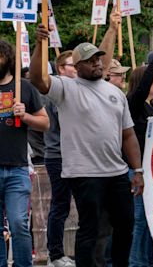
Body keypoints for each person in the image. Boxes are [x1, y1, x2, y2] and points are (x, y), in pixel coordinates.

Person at [30, 16, 144, 267]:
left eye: (98, 59)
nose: (97, 63)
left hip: (116, 172)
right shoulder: (66, 88)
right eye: (90, 60)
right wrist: (40, 43)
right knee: (90, 229)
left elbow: (128, 134)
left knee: (125, 226)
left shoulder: (115, 93)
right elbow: (38, 79)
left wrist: (137, 170)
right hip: (84, 173)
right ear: (78, 66)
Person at [0, 39, 50, 267]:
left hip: (17, 168)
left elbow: (45, 123)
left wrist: (26, 116)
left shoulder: (25, 88)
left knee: (19, 222)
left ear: (7, 58)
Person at [44, 50, 78, 267]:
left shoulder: (76, 89)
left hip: (75, 154)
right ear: (60, 69)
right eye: (71, 64)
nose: (76, 68)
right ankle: (54, 254)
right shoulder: (57, 92)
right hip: (59, 156)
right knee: (60, 205)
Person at [126, 62, 153, 267]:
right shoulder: (134, 105)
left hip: (152, 171)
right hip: (137, 170)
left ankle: (148, 260)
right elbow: (139, 92)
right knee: (140, 219)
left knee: (150, 220)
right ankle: (136, 262)